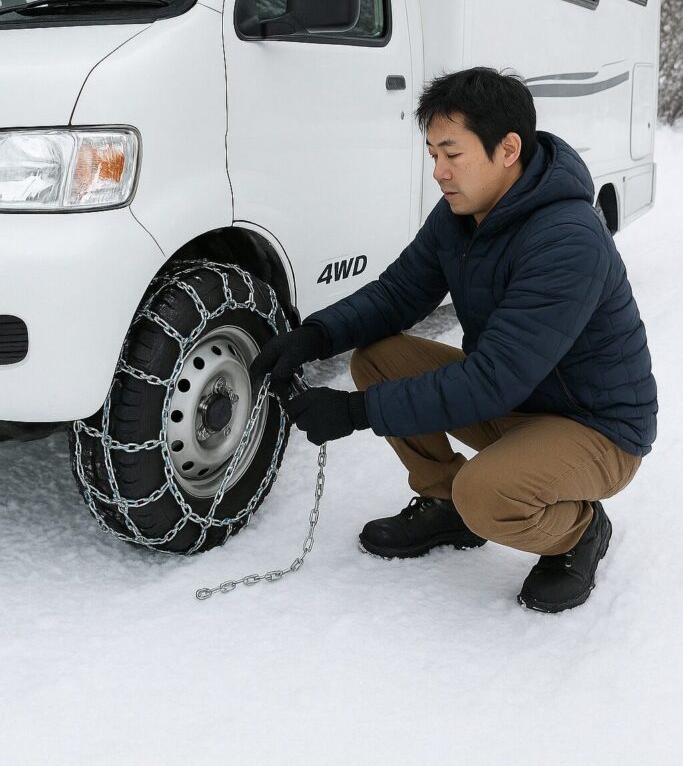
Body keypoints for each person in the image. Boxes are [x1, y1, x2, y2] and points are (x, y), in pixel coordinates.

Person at [250, 67, 657, 613]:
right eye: (432, 153)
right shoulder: (461, 214)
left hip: (596, 428)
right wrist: (313, 335)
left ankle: (579, 529)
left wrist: (353, 412)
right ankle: (444, 503)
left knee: (486, 495)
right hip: (519, 403)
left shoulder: (567, 239)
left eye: (452, 153)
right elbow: (397, 294)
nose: (439, 171)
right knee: (381, 359)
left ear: (508, 148)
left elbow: (493, 378)